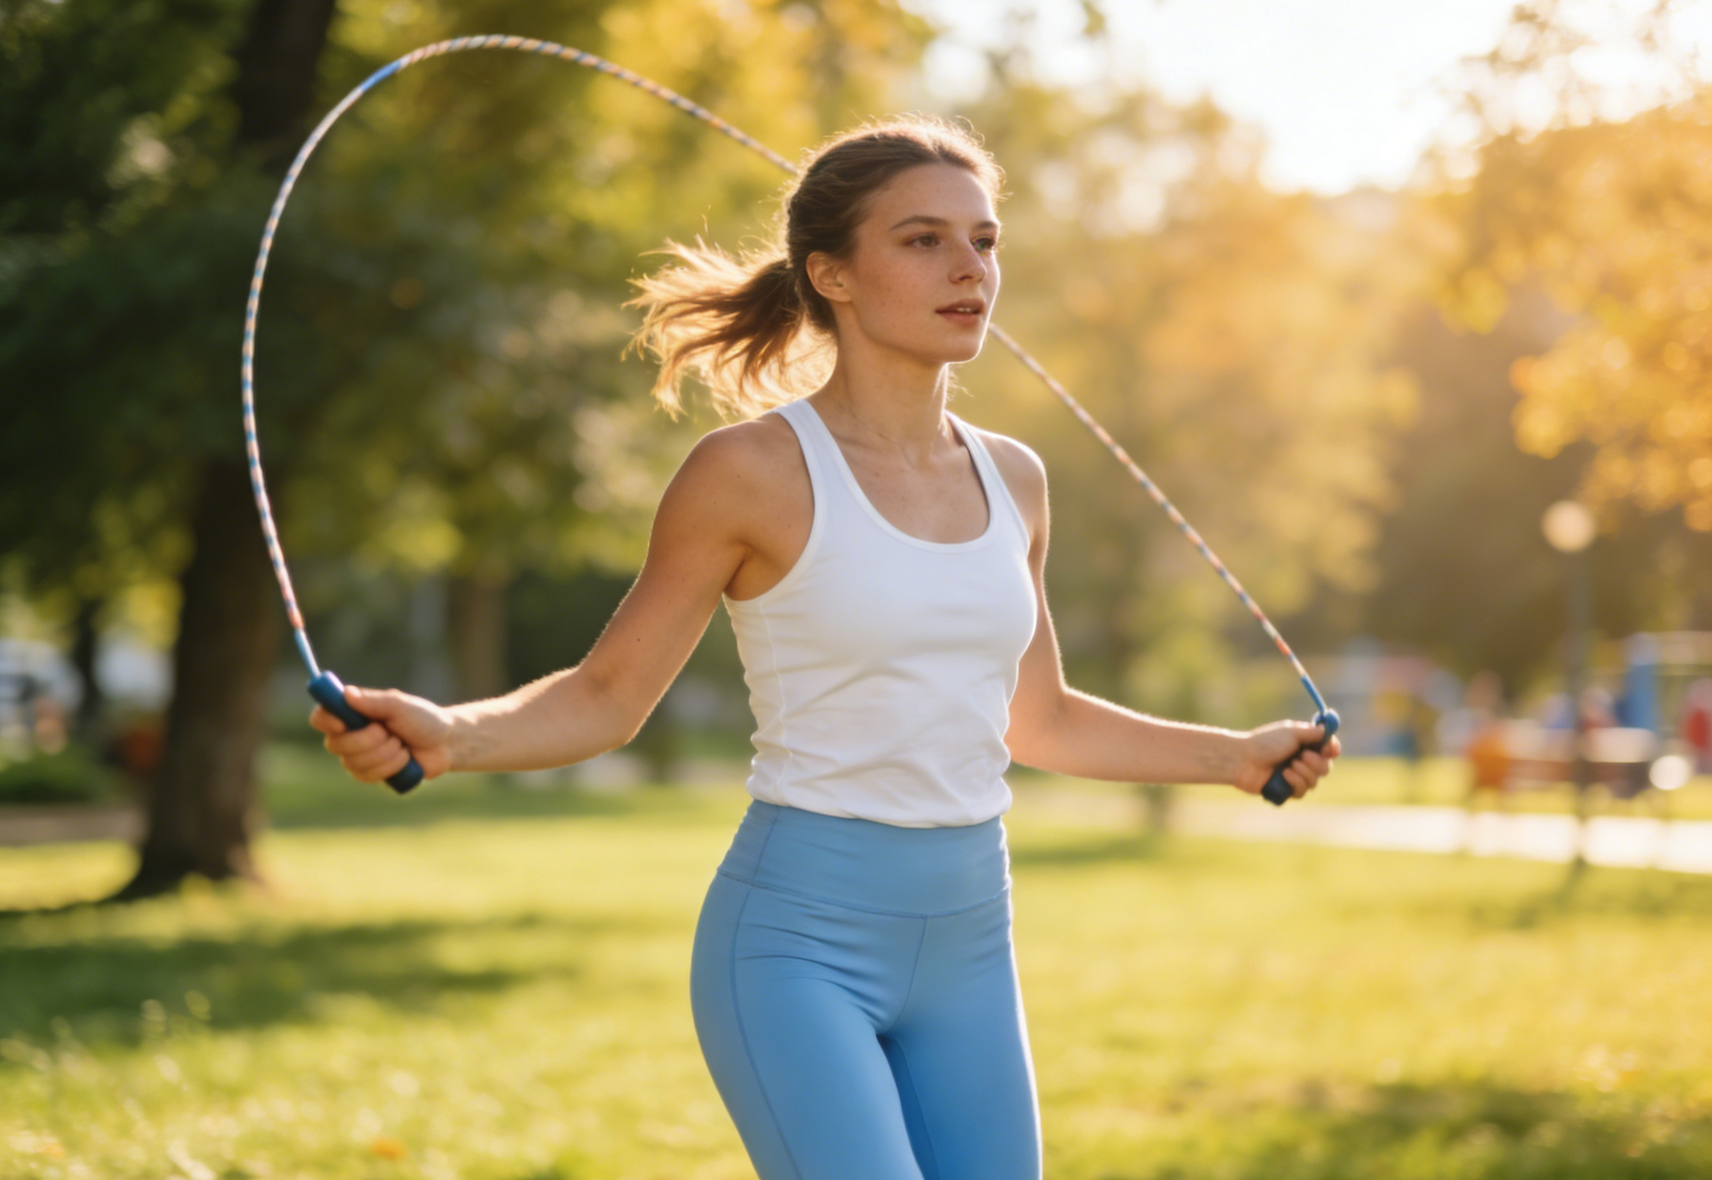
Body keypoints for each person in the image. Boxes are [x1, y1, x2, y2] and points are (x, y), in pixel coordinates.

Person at [308, 114, 1340, 1180]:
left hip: (970, 942)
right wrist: (447, 735)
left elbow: (1037, 718)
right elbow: (606, 695)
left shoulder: (1016, 480)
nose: (967, 268)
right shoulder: (747, 472)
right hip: (796, 946)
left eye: (983, 240)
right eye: (921, 239)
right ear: (830, 275)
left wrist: (1234, 755)